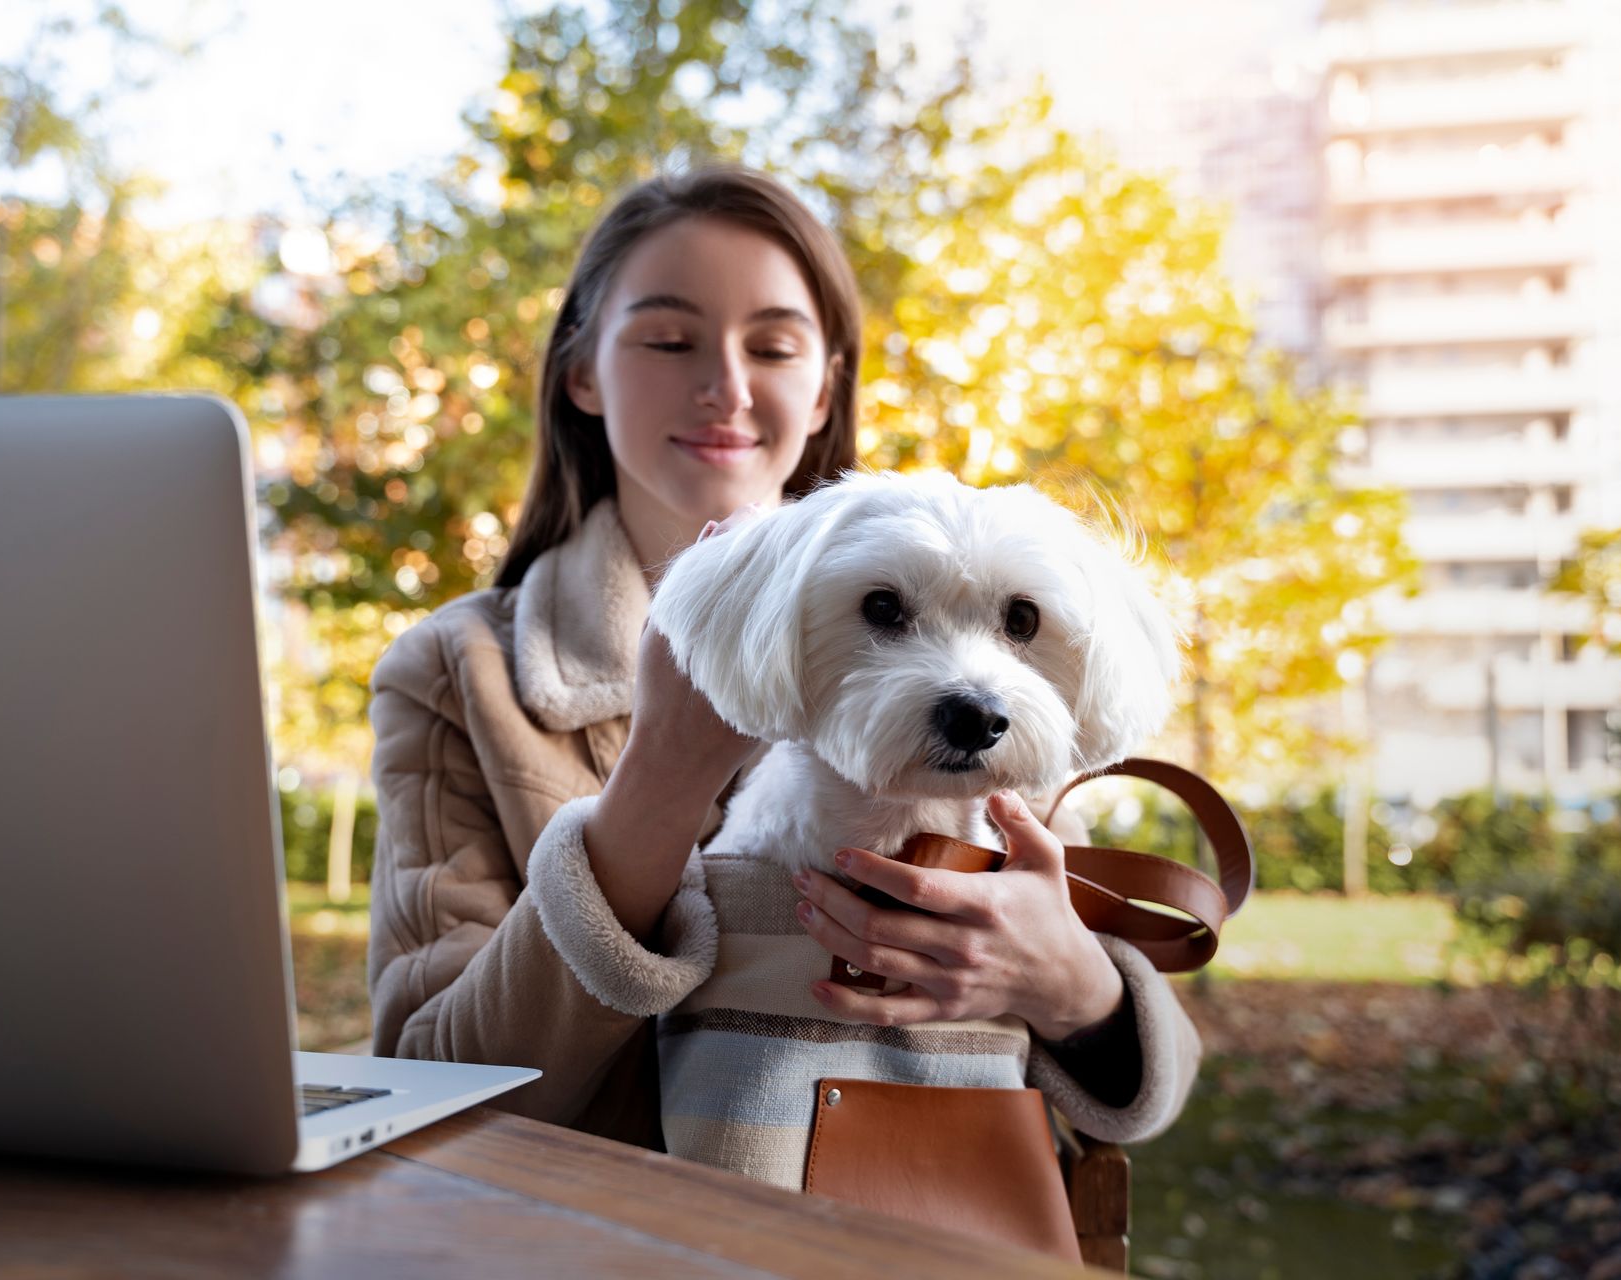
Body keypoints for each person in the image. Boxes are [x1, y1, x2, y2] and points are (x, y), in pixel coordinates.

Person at [365, 164, 1200, 1151]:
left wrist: (1072, 987)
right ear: (581, 371)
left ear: (825, 386)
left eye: (772, 346)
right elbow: (427, 1083)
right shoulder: (458, 673)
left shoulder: (989, 658)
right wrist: (660, 779)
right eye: (669, 339)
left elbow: (1151, 1087)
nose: (725, 386)